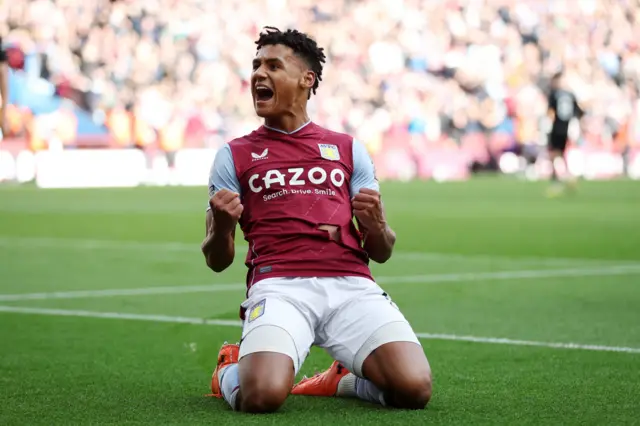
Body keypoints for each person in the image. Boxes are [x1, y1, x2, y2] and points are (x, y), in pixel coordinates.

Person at [201, 27, 432, 414]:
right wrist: (223, 226)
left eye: (274, 66)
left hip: (351, 285)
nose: (259, 74)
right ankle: (229, 368)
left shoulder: (348, 148)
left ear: (307, 80)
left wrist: (376, 226)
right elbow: (216, 260)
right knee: (261, 397)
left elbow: (382, 251)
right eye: (256, 66)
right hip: (279, 286)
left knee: (414, 389)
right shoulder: (234, 155)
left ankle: (342, 381)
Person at [546, 71, 584, 196]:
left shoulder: (555, 94)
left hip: (557, 127)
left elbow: (550, 112)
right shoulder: (570, 94)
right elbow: (579, 112)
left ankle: (558, 178)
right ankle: (567, 176)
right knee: (560, 153)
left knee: (554, 153)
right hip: (568, 128)